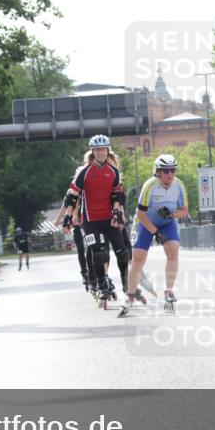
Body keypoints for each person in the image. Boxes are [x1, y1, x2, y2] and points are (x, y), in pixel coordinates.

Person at [60, 134, 130, 307]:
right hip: (90, 220)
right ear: (93, 152)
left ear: (107, 151)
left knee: (122, 252)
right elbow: (72, 196)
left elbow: (117, 195)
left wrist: (116, 214)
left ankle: (126, 283)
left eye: (103, 150)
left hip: (108, 219)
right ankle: (102, 286)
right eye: (97, 150)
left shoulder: (113, 172)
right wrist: (68, 218)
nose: (100, 153)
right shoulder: (84, 172)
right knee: (99, 254)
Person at [120, 154, 187, 317]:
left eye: (173, 170)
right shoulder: (150, 186)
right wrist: (155, 233)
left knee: (173, 251)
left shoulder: (178, 185)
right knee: (138, 258)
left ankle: (169, 291)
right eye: (165, 171)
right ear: (158, 172)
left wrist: (171, 216)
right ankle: (130, 296)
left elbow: (184, 210)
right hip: (144, 222)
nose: (170, 174)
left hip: (166, 222)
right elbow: (142, 215)